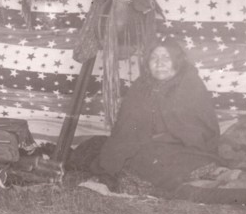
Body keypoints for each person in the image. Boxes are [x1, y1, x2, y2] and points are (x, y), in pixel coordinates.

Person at [89, 38, 220, 195]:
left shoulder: (190, 85)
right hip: (141, 143)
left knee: (152, 162)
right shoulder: (141, 84)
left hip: (182, 146)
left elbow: (199, 130)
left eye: (166, 58)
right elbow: (126, 124)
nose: (159, 63)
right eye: (154, 58)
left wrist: (163, 137)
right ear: (147, 63)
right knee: (113, 152)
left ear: (177, 61)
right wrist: (135, 138)